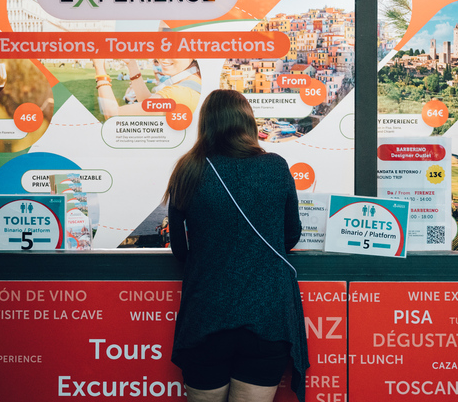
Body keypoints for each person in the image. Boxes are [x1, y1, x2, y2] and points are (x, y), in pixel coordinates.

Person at [163, 89, 308, 402]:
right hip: (267, 314)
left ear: (206, 124)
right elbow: (291, 235)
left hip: (207, 313)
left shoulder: (188, 169)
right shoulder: (275, 167)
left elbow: (180, 250)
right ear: (249, 123)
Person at [92, 58, 201, 118]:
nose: (162, 58)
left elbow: (113, 116)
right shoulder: (194, 82)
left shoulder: (178, 94)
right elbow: (147, 105)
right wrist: (131, 64)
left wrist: (99, 66)